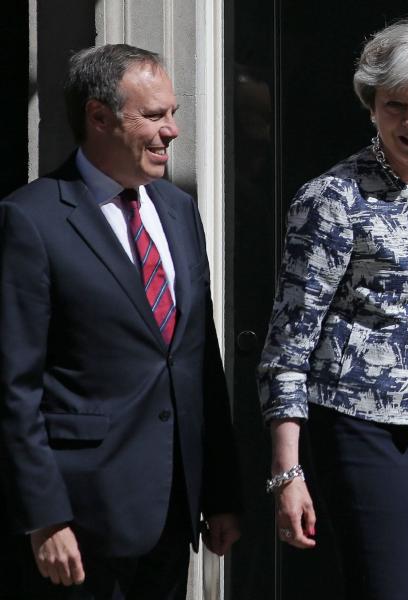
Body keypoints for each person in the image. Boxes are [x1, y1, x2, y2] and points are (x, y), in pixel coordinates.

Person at [258, 19, 408, 600]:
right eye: (395, 107)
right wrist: (288, 474)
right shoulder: (332, 198)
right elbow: (287, 347)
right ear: (371, 106)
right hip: (367, 433)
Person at [0, 44, 242, 599]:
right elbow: (15, 386)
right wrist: (45, 516)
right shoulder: (32, 219)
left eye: (172, 113)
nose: (172, 131)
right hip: (83, 520)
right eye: (154, 116)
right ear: (100, 117)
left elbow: (199, 359)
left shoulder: (178, 210)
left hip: (172, 509)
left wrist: (221, 490)